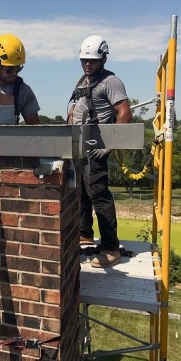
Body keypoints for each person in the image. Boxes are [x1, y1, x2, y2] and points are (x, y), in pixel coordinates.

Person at [67, 35, 132, 268]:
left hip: (95, 147)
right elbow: (76, 109)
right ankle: (84, 233)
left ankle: (111, 249)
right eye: (84, 60)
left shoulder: (111, 81)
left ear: (103, 59)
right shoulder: (83, 80)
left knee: (99, 194)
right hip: (79, 145)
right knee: (81, 192)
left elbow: (124, 112)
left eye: (92, 60)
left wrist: (109, 146)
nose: (87, 64)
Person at [0, 34, 41, 125]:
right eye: (10, 70)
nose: (15, 73)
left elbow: (36, 129)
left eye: (18, 68)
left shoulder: (23, 91)